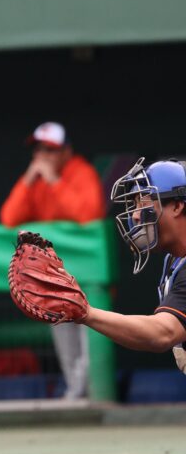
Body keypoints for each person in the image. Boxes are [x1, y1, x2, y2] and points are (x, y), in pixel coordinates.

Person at [0, 122, 105, 400]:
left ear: (66, 151)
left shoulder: (81, 173)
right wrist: (28, 180)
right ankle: (75, 394)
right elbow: (9, 218)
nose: (43, 156)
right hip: (53, 278)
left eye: (50, 149)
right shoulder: (35, 181)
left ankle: (95, 397)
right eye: (38, 149)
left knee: (91, 340)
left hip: (86, 277)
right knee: (66, 345)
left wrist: (55, 182)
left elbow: (88, 214)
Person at [76, 159, 186, 371]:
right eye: (135, 205)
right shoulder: (174, 259)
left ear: (177, 206)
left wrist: (87, 314)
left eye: (144, 203)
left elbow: (163, 333)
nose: (135, 215)